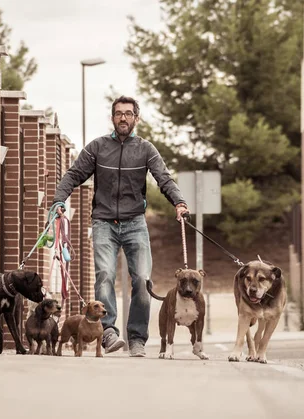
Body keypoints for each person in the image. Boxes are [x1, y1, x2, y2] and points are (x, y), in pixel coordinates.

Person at [51, 96, 189, 357]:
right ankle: (109, 332)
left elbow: (164, 178)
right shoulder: (97, 148)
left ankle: (137, 338)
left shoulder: (146, 149)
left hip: (135, 222)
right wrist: (59, 200)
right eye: (118, 114)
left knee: (142, 280)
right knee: (104, 274)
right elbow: (73, 174)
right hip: (103, 222)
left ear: (136, 118)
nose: (123, 118)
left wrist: (179, 202)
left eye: (128, 114)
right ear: (112, 118)